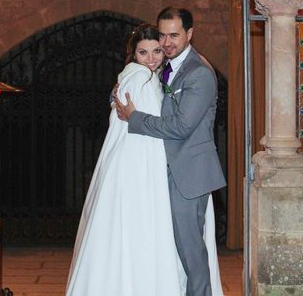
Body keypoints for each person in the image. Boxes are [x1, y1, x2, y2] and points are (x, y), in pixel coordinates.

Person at [66, 23, 222, 296]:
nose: (151, 58)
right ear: (133, 54)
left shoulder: (153, 75)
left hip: (163, 169)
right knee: (146, 237)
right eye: (143, 52)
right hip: (140, 168)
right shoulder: (141, 78)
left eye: (157, 51)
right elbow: (154, 126)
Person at [116, 8, 226, 296]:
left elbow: (182, 126)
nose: (166, 42)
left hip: (188, 175)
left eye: (174, 35)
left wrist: (134, 117)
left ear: (190, 34)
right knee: (173, 249)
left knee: (191, 251)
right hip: (166, 171)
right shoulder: (165, 66)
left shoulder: (199, 73)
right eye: (162, 34)